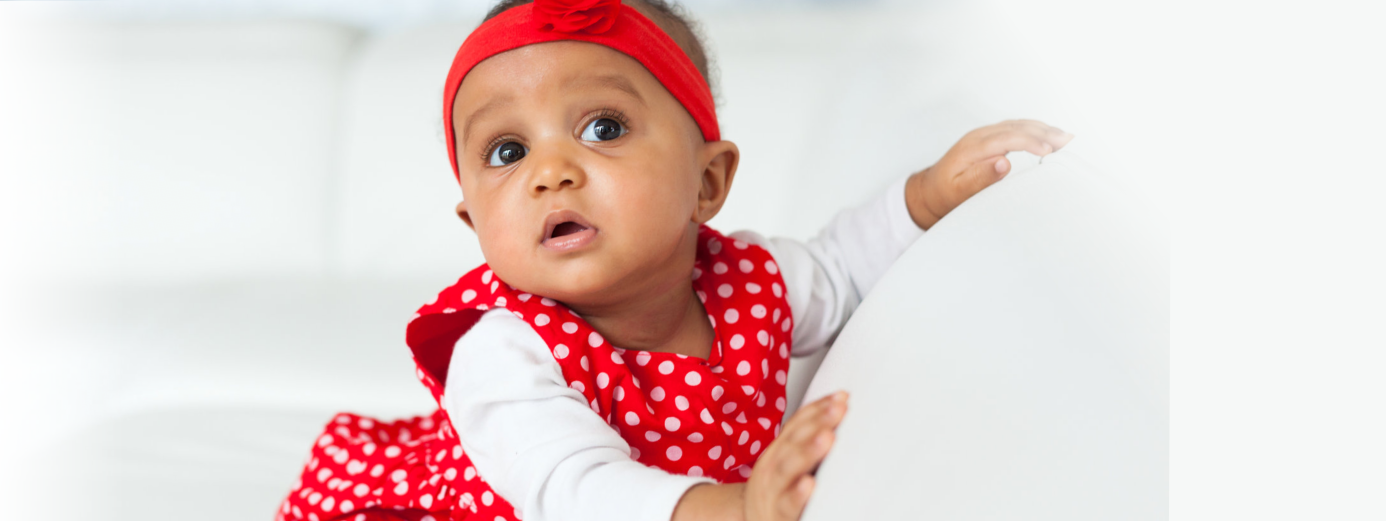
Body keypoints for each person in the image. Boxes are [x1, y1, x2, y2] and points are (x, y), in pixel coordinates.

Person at [278, 1, 1071, 520]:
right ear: (473, 220)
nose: (550, 171)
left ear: (708, 181)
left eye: (603, 128)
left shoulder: (750, 282)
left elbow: (845, 267)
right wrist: (737, 508)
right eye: (507, 150)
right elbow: (574, 490)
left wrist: (929, 195)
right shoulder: (501, 350)